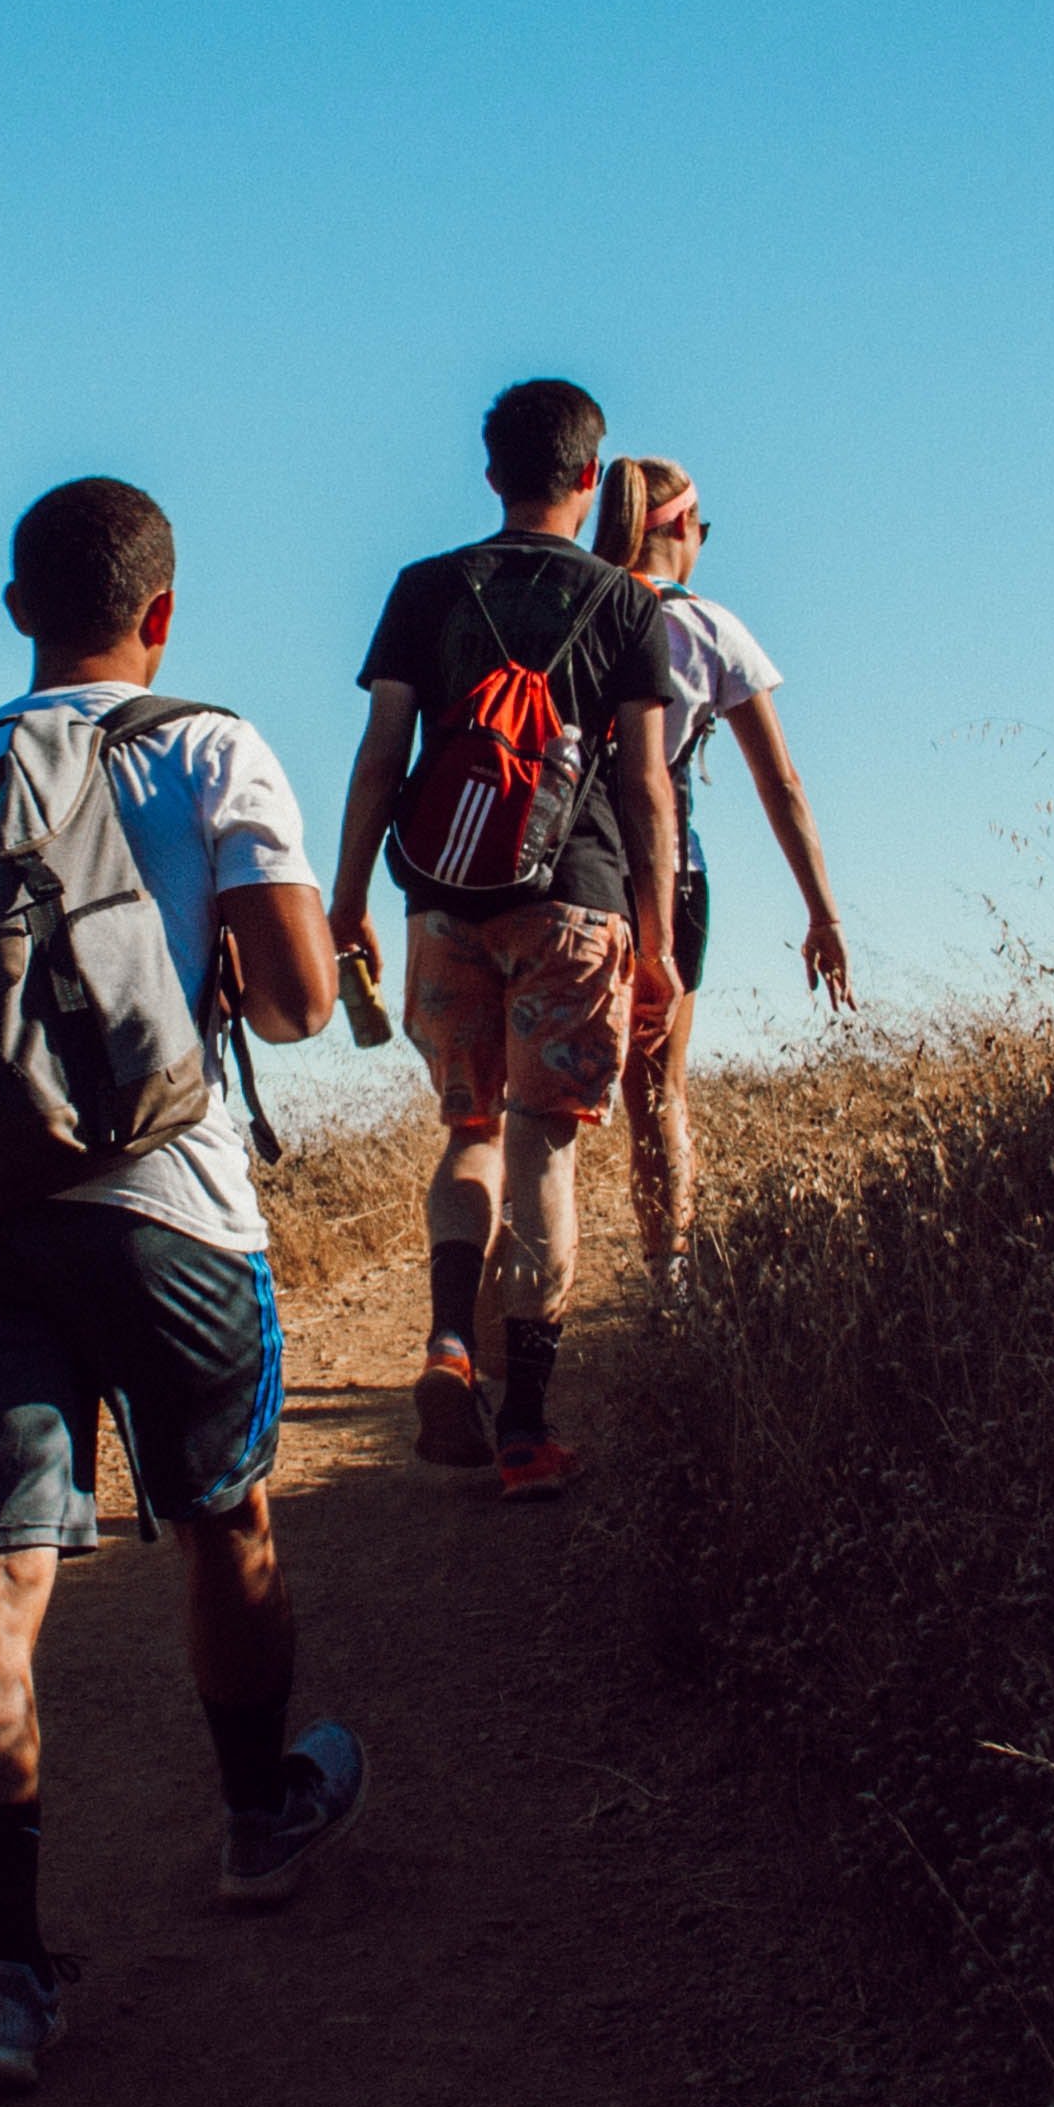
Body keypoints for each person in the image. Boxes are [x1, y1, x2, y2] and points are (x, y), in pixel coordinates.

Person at [0, 476, 363, 2096]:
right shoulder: (211, 745)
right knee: (225, 1518)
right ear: (164, 611)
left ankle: (4, 1980)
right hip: (169, 1214)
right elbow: (290, 1007)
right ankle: (256, 1819)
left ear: (13, 609)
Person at [327, 377, 681, 1502]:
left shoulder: (426, 588)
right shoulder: (630, 607)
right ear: (592, 478)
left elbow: (383, 755)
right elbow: (645, 789)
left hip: (442, 901)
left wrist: (346, 904)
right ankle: (526, 1429)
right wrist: (660, 939)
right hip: (575, 904)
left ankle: (446, 1342)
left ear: (491, 475)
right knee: (545, 1148)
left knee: (468, 1131)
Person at [590, 453, 855, 1306]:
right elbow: (781, 784)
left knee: (537, 1098)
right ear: (677, 529)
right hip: (671, 878)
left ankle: (504, 1305)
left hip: (570, 875)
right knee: (657, 1092)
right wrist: (823, 914)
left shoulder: (578, 608)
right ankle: (670, 1284)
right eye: (702, 528)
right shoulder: (709, 629)